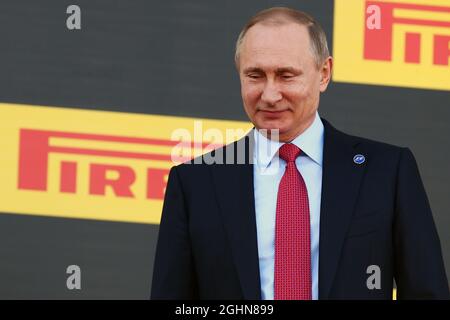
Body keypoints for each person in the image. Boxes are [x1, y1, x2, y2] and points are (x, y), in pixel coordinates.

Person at [151, 7, 449, 300]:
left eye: (286, 76)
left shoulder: (387, 172)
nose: (269, 95)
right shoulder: (194, 184)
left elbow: (426, 292)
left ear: (323, 74)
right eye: (255, 75)